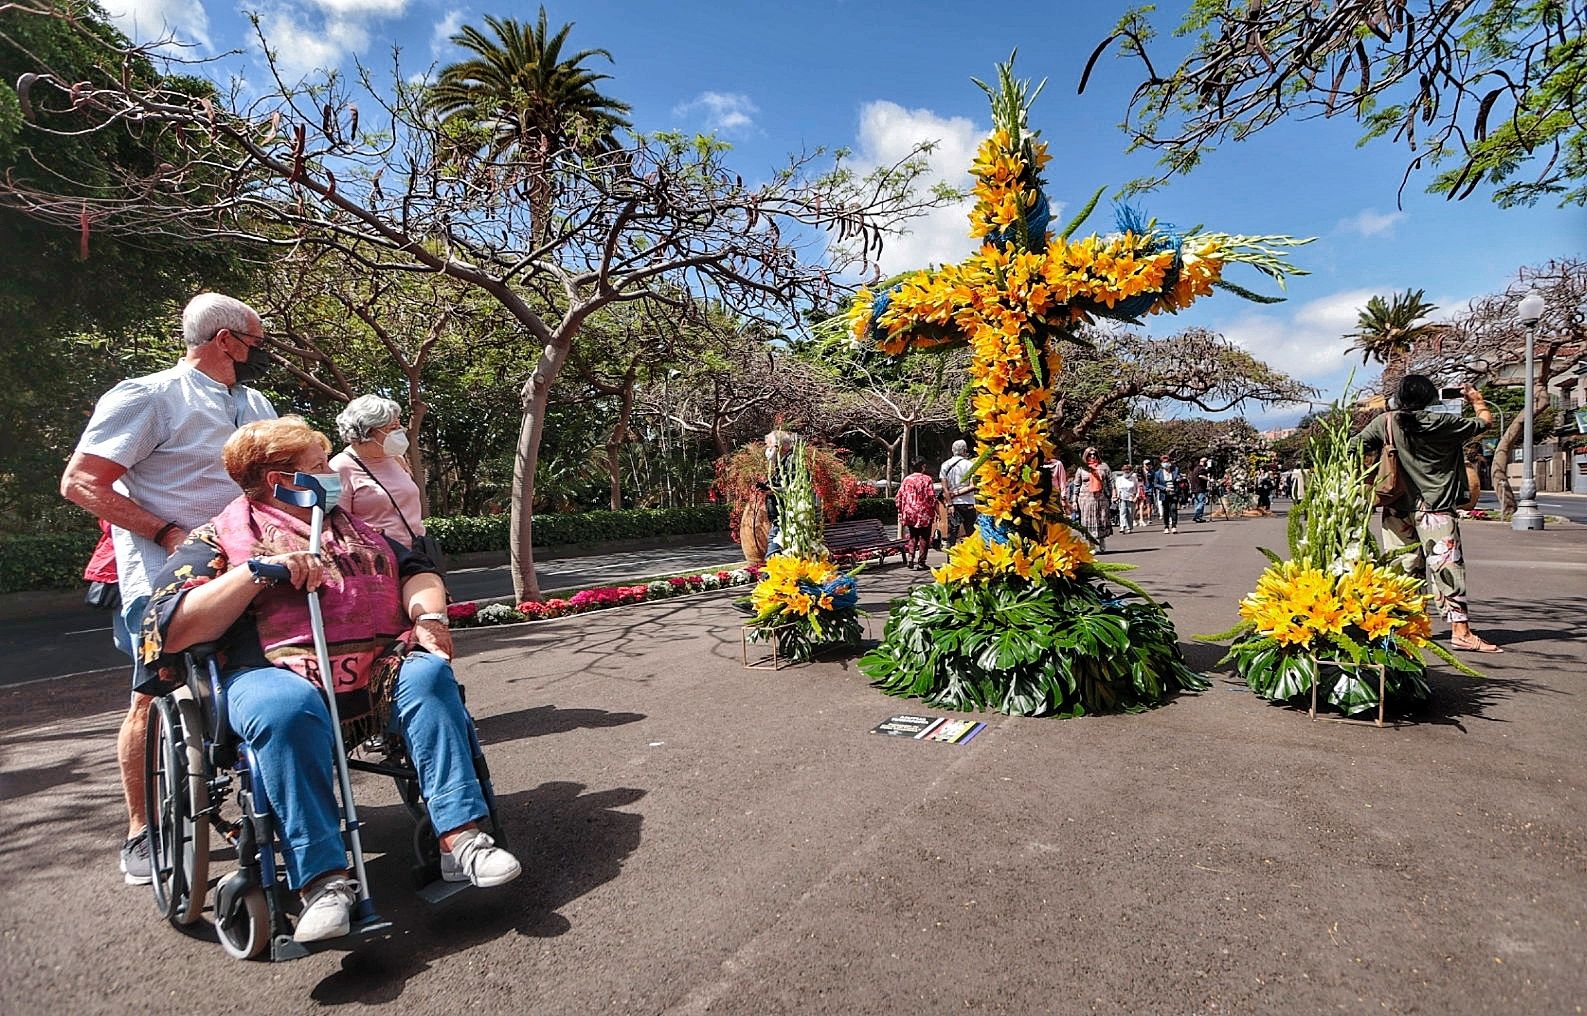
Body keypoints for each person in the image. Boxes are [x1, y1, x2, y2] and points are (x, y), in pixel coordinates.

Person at [140, 417, 521, 943]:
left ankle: (462, 837)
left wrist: (428, 616)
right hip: (268, 672)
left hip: (373, 675)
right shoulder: (217, 541)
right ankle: (322, 881)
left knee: (428, 674)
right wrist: (253, 574)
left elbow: (418, 571)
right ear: (279, 479)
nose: (332, 474)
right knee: (283, 709)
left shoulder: (358, 529)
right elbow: (175, 625)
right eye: (318, 467)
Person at [61, 292, 277, 885]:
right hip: (165, 581)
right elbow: (81, 481)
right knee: (152, 698)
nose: (260, 352)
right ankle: (140, 829)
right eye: (254, 342)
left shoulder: (253, 401)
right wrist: (168, 532)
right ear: (225, 340)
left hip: (246, 571)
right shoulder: (148, 396)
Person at [1355, 375, 1501, 653]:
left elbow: (1352, 446)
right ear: (1432, 399)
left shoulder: (1386, 422)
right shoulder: (1445, 423)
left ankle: (1403, 630)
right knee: (1447, 568)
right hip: (1435, 509)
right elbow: (1485, 422)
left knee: (1401, 569)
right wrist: (1476, 400)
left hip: (1396, 506)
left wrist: (1375, 464)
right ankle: (1461, 632)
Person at [330, 395, 427, 550]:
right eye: (392, 428)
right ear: (367, 432)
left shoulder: (396, 459)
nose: (400, 432)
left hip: (418, 552)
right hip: (380, 559)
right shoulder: (340, 467)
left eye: (399, 426)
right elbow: (338, 526)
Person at [895, 458, 938, 570]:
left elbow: (898, 497)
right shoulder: (927, 479)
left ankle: (910, 557)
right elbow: (932, 497)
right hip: (924, 513)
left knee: (913, 536)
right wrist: (937, 511)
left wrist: (901, 510)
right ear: (922, 466)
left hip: (910, 513)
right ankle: (921, 562)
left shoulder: (906, 480)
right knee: (924, 537)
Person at [1073, 447, 1114, 551]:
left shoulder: (1103, 467)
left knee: (1102, 519)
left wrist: (1114, 494)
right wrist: (1074, 500)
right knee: (1088, 521)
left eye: (1094, 454)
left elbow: (1111, 481)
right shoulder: (1082, 468)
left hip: (1101, 497)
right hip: (1086, 498)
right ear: (1085, 456)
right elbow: (1076, 485)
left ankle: (1102, 540)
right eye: (1090, 454)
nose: (1092, 456)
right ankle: (1091, 543)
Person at [939, 440, 978, 547]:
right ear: (965, 450)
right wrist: (956, 493)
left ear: (952, 450)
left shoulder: (945, 465)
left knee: (952, 533)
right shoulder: (971, 465)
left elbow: (944, 487)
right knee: (971, 534)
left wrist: (950, 502)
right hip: (968, 503)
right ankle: (972, 558)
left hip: (953, 505)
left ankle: (950, 559)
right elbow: (973, 486)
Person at [1153, 455, 1184, 533]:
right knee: (1166, 510)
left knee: (1173, 509)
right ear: (1161, 463)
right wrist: (1164, 488)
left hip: (1174, 493)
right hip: (1164, 493)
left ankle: (1174, 526)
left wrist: (1179, 479)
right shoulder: (1158, 473)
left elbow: (1179, 477)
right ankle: (1166, 526)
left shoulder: (1175, 470)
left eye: (1167, 462)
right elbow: (1156, 484)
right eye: (1164, 462)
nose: (1166, 463)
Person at [1113, 466, 1140, 534]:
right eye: (1125, 470)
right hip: (1122, 498)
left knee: (1130, 513)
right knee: (1123, 512)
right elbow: (1116, 488)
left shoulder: (1134, 479)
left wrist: (1136, 497)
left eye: (1128, 470)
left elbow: (1137, 489)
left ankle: (1129, 528)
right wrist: (1116, 496)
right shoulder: (1119, 479)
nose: (1126, 471)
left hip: (1131, 497)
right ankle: (1122, 526)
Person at [1189, 457, 1210, 523]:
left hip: (1194, 488)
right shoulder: (1201, 469)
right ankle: (1198, 516)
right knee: (1201, 502)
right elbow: (1201, 476)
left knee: (1197, 502)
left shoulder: (1195, 468)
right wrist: (1208, 479)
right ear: (1205, 462)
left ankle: (1197, 516)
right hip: (1200, 488)